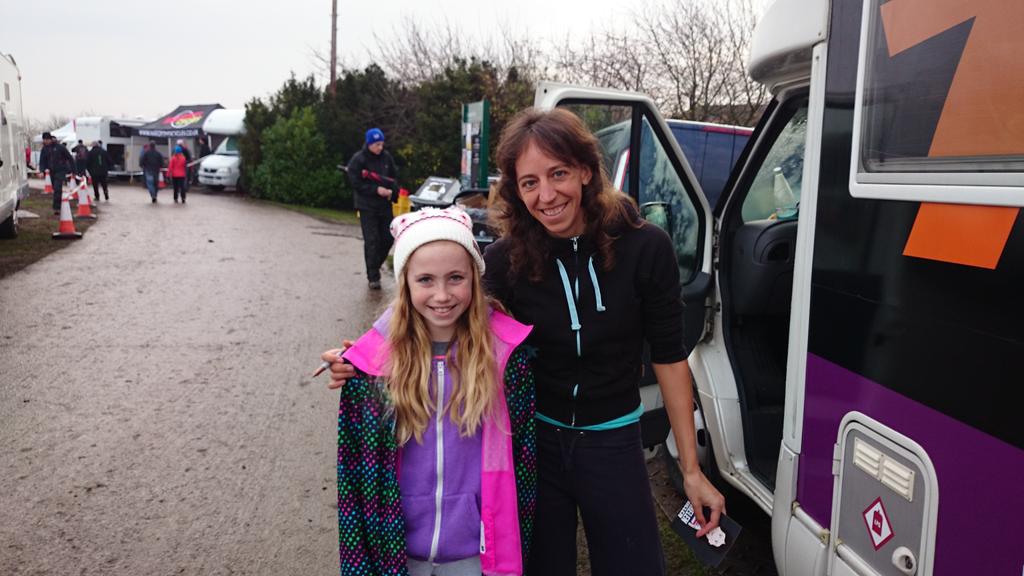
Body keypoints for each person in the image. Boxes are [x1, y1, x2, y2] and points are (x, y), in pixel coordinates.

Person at [324, 107, 726, 575]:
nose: (547, 195)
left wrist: (692, 471)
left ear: (586, 170)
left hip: (614, 440)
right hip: (534, 444)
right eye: (530, 182)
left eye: (559, 174)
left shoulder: (645, 247)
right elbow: (440, 309)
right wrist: (365, 357)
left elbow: (670, 357)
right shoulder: (506, 259)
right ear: (516, 189)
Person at [322, 206, 536, 576]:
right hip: (396, 554)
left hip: (475, 555)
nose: (442, 294)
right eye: (425, 280)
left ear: (474, 278)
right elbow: (353, 480)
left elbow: (525, 464)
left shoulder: (504, 361)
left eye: (455, 278)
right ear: (405, 283)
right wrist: (355, 362)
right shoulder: (374, 371)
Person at [347, 127, 399, 290]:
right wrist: (375, 190)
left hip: (384, 205)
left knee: (388, 237)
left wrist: (392, 192)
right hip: (366, 206)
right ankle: (373, 276)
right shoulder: (358, 159)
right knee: (372, 240)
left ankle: (375, 264)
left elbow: (394, 177)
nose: (380, 147)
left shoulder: (386, 158)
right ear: (369, 144)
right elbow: (356, 182)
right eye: (377, 144)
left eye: (381, 144)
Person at [38, 132, 75, 214]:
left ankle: (57, 208)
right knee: (55, 189)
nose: (45, 141)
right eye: (44, 140)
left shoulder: (60, 147)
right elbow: (42, 161)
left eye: (47, 140)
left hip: (60, 170)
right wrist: (41, 171)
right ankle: (58, 203)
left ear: (50, 139)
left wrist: (73, 170)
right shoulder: (44, 149)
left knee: (58, 188)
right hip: (52, 171)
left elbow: (69, 158)